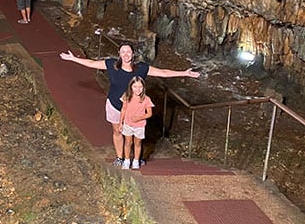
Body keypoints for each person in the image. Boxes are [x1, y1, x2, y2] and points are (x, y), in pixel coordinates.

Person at [59, 42, 200, 166]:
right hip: (114, 104)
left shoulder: (141, 68)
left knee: (135, 136)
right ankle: (120, 157)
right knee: (117, 131)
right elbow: (91, 63)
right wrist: (73, 59)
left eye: (128, 51)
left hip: (134, 108)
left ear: (133, 54)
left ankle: (137, 158)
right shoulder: (111, 65)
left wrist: (184, 73)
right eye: (123, 51)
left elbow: (162, 72)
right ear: (119, 54)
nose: (126, 54)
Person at [119, 77, 154, 170]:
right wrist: (120, 123)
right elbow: (123, 110)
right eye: (135, 86)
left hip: (140, 125)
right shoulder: (127, 96)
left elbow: (149, 113)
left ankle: (136, 160)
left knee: (137, 143)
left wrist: (139, 118)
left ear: (143, 88)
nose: (138, 89)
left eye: (140, 87)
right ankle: (126, 160)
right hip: (128, 124)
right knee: (127, 142)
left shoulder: (146, 99)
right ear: (131, 87)